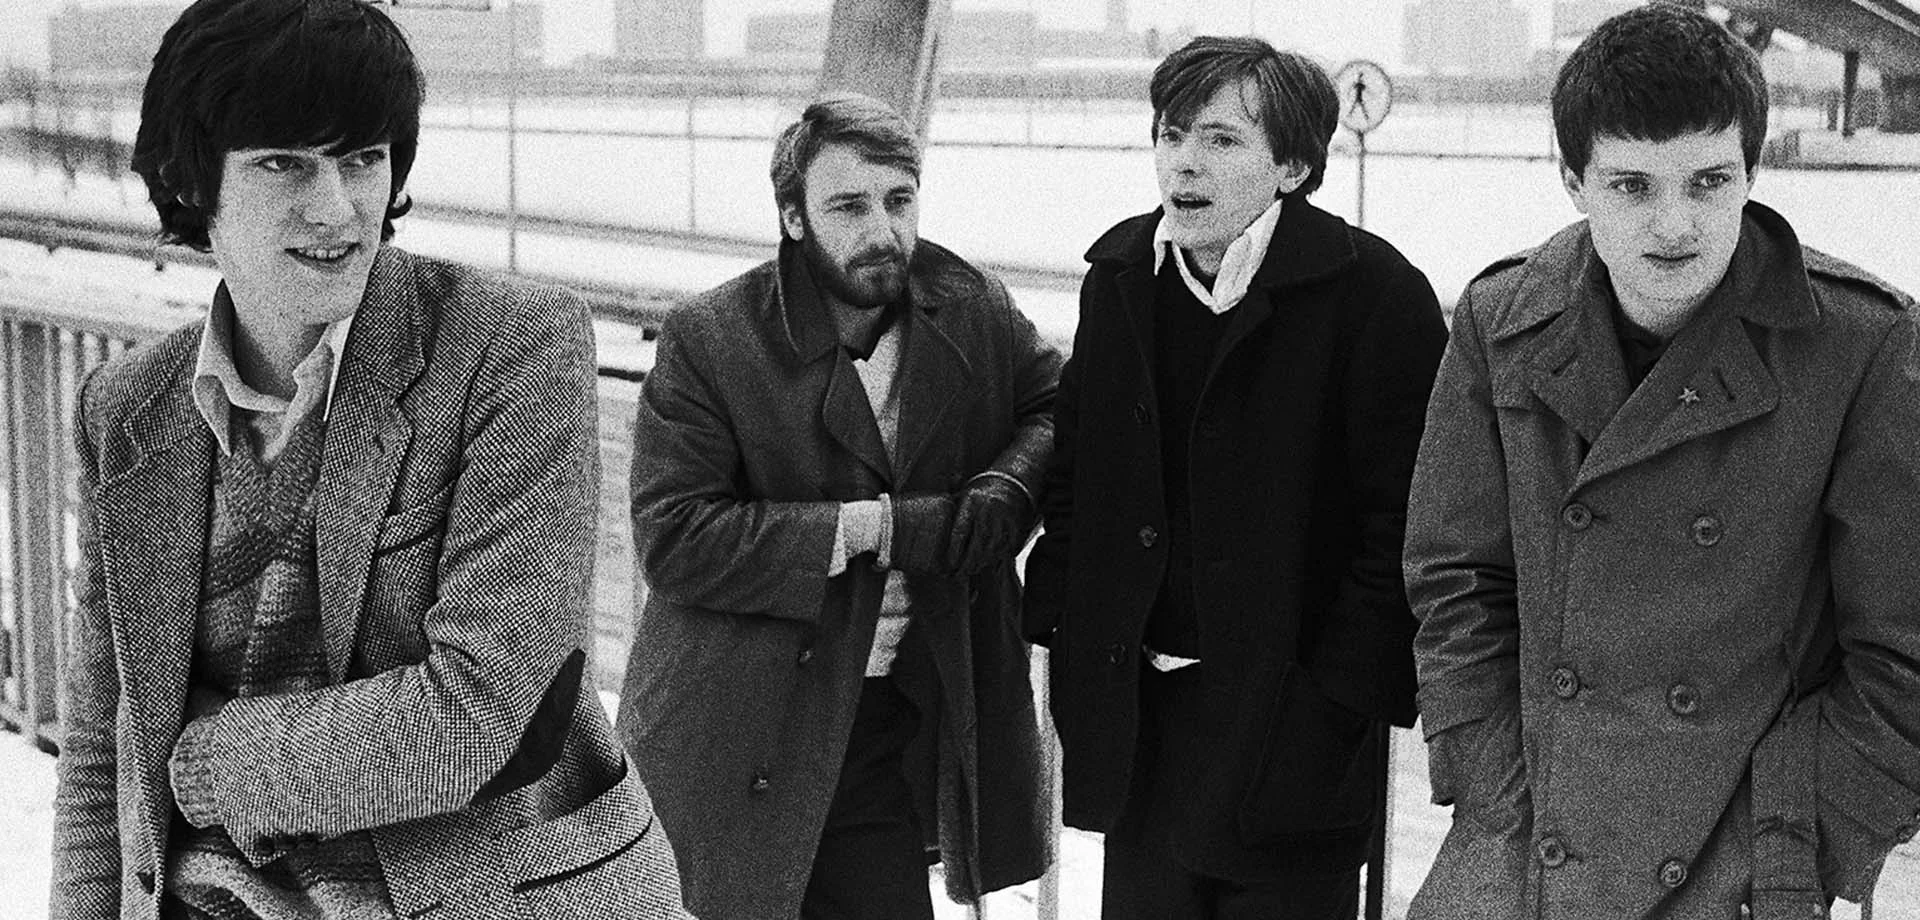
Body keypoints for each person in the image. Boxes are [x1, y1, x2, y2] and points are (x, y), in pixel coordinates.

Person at [48, 1, 685, 917]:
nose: (338, 207)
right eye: (283, 163)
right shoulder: (127, 411)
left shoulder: (508, 345)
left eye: (360, 159)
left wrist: (205, 763)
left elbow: (487, 714)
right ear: (193, 184)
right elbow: (102, 755)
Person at [1404, 6, 1920, 918]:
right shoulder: (1501, 320)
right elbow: (1455, 579)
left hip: (1744, 861)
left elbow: (1903, 656)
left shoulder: (1860, 346)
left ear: (1752, 174)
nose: (1675, 224)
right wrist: (1492, 780)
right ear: (1574, 181)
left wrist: (1792, 849)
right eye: (1633, 186)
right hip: (1525, 842)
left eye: (1709, 181)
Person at [1023, 36, 1447, 920]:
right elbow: (1077, 473)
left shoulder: (1375, 294)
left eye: (1221, 140)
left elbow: (1410, 524)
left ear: (1292, 166)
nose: (1184, 161)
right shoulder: (1120, 281)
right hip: (1141, 727)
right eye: (1172, 134)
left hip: (1290, 740)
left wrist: (1334, 702)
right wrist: (1065, 623)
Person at [617, 92, 1060, 920]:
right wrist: (870, 529)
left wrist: (1008, 486)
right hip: (736, 724)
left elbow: (1057, 406)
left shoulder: (971, 308)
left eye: (899, 200)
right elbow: (674, 539)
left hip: (884, 714)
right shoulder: (711, 337)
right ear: (793, 218)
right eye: (849, 207)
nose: (882, 230)